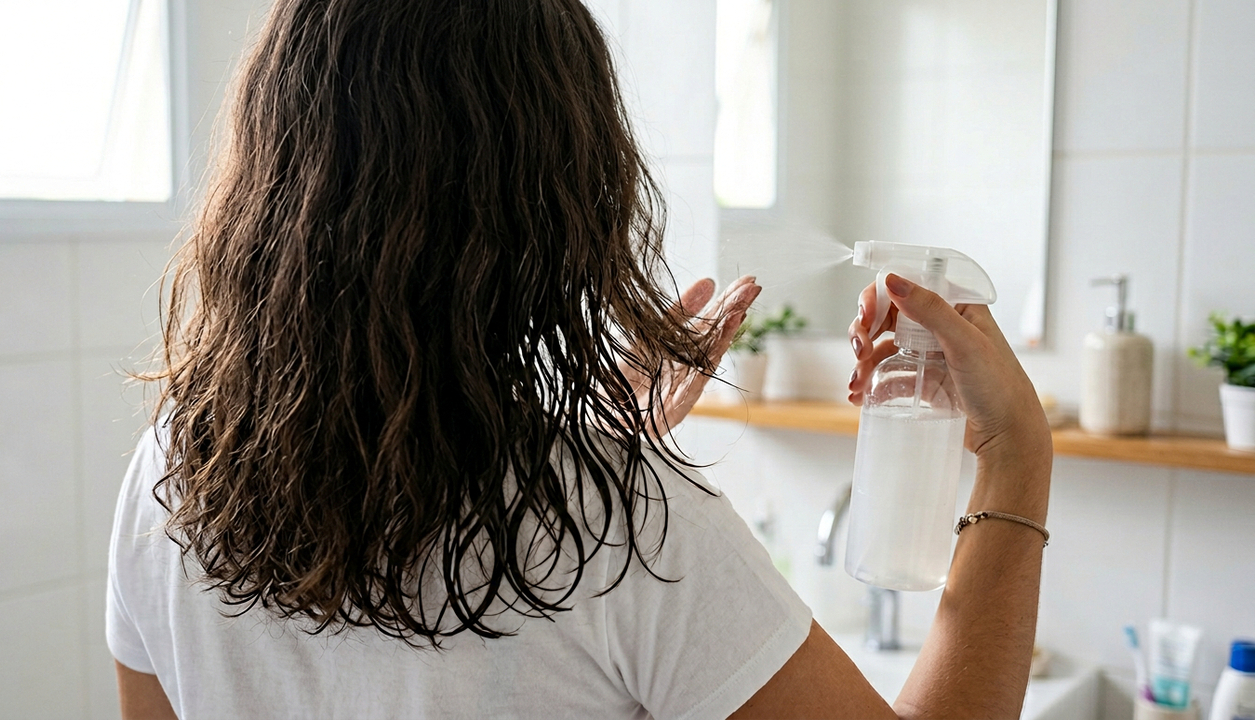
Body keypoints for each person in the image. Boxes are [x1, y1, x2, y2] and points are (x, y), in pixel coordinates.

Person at [107, 0, 1052, 718]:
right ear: (552, 194)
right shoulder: (629, 532)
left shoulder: (170, 474)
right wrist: (1016, 454)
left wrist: (593, 453)